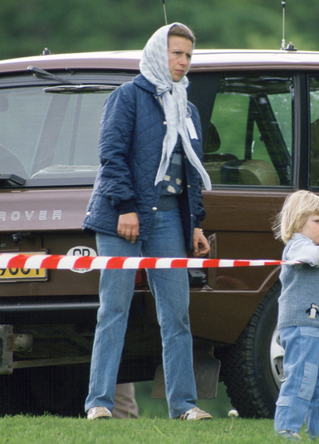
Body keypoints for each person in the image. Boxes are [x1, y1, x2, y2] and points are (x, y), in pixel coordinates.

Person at [83, 22, 212, 421]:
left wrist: (195, 222)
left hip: (171, 216)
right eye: (177, 53)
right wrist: (125, 207)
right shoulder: (127, 96)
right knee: (114, 310)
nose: (184, 62)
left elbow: (190, 172)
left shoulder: (186, 107)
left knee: (177, 315)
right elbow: (112, 156)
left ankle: (184, 407)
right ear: (159, 53)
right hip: (123, 215)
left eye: (189, 55)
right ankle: (99, 404)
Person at [273, 190, 319, 440]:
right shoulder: (298, 245)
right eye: (318, 221)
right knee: (301, 376)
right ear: (298, 221)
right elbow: (309, 257)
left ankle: (317, 432)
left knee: (317, 382)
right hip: (301, 324)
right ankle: (286, 428)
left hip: (315, 325)